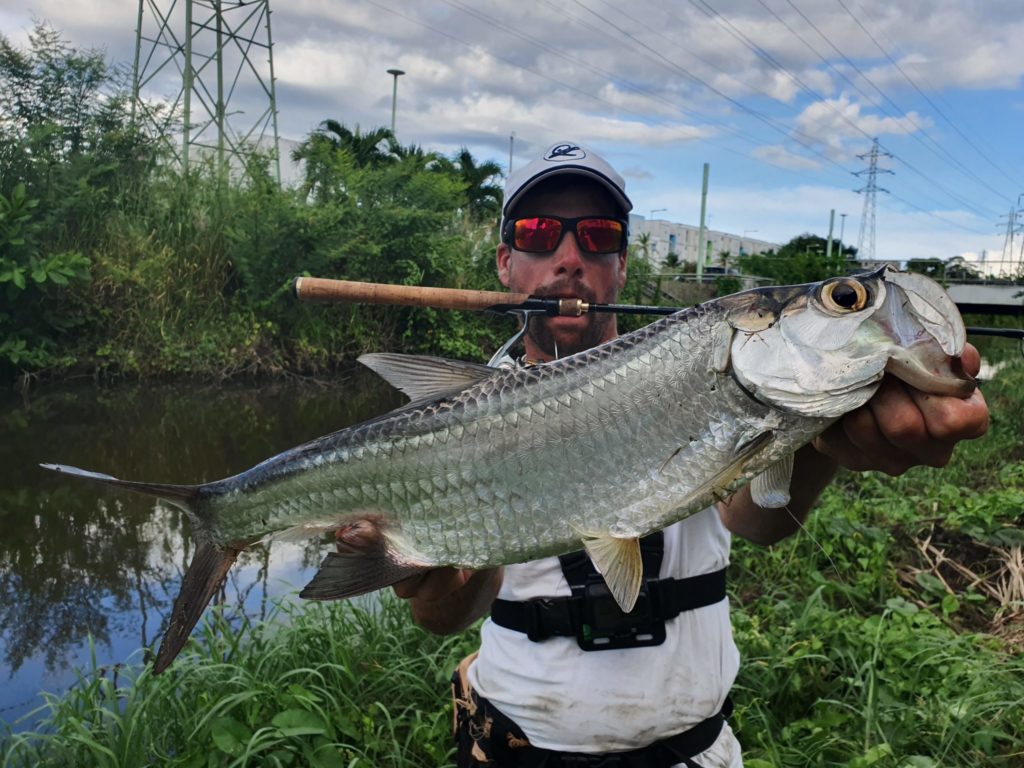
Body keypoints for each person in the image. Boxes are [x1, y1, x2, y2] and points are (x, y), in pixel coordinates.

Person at [390, 141, 990, 767]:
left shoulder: (702, 367)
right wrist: (424, 570)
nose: (569, 259)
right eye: (539, 234)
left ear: (621, 264)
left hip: (694, 751)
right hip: (518, 746)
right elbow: (442, 617)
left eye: (598, 236)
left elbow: (756, 518)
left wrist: (820, 439)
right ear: (505, 262)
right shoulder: (461, 413)